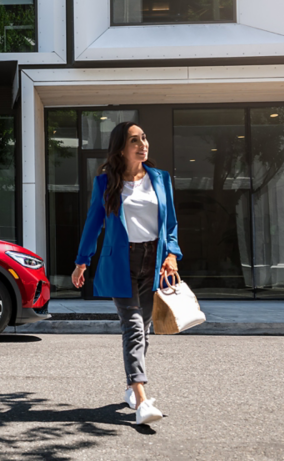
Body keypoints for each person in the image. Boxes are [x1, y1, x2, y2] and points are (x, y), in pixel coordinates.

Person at [71, 122, 182, 426]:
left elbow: (170, 223)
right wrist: (82, 262)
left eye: (144, 138)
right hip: (122, 261)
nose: (143, 144)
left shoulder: (160, 179)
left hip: (154, 259)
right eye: (135, 140)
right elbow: (93, 224)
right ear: (122, 148)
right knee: (133, 327)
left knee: (144, 329)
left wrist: (172, 254)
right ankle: (142, 400)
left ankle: (132, 386)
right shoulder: (106, 183)